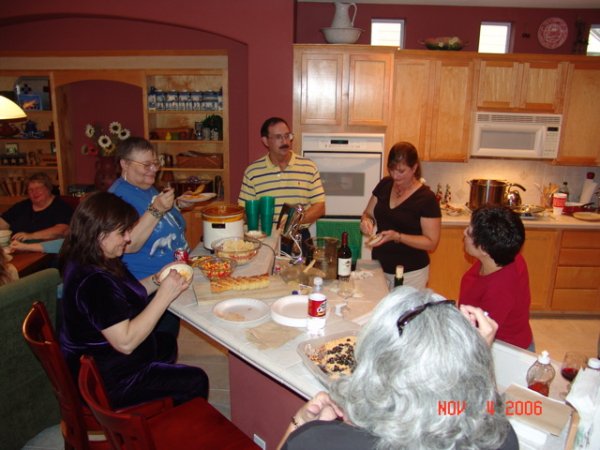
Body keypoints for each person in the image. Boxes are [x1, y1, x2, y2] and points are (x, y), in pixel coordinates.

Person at [278, 287, 517, 450]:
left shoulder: (318, 441)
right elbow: (486, 411)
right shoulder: (501, 439)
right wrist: (477, 357)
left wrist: (299, 422)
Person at [58, 191, 208, 409]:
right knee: (195, 380)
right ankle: (167, 430)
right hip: (103, 380)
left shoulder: (95, 257)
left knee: (165, 343)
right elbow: (126, 343)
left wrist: (158, 279)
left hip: (106, 360)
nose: (128, 238)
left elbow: (129, 291)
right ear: (100, 234)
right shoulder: (93, 281)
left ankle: (161, 412)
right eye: (122, 233)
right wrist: (164, 295)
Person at [109, 137, 188, 335]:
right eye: (146, 165)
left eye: (155, 163)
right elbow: (129, 244)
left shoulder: (145, 187)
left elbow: (157, 224)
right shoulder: (117, 198)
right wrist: (157, 209)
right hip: (147, 288)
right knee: (158, 344)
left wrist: (177, 206)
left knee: (168, 340)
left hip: (169, 278)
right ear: (124, 164)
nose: (153, 169)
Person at [360, 142, 441, 289]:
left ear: (414, 168)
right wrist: (366, 221)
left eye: (401, 171)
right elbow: (368, 213)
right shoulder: (384, 184)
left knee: (404, 312)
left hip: (411, 273)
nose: (395, 175)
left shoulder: (426, 198)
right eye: (391, 169)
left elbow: (431, 242)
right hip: (380, 267)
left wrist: (397, 237)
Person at [238, 117, 325, 254]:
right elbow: (243, 211)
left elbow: (320, 207)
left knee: (301, 275)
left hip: (299, 238)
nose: (285, 141)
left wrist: (295, 221)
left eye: (287, 136)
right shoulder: (252, 172)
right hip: (264, 240)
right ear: (265, 141)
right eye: (278, 137)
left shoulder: (308, 167)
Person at [459, 205, 534, 350]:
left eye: (469, 232)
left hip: (503, 349)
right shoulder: (506, 256)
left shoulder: (500, 289)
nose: (464, 232)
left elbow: (479, 334)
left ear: (484, 249)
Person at [0, 172, 73, 242]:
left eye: (38, 188)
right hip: (15, 249)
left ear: (48, 188)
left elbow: (62, 230)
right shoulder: (21, 206)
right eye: (30, 190)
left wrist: (30, 236)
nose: (34, 192)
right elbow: (3, 223)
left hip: (46, 251)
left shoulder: (61, 207)